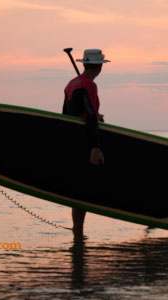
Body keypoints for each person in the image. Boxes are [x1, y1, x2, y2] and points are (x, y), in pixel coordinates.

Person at [62, 49, 110, 238]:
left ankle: (78, 232)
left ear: (84, 64)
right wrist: (96, 146)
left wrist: (95, 116)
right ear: (99, 67)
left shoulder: (71, 84)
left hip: (73, 142)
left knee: (78, 189)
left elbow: (67, 114)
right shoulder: (89, 85)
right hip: (86, 142)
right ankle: (79, 233)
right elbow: (89, 115)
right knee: (85, 187)